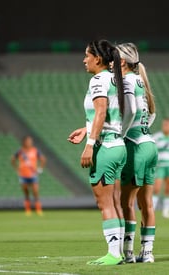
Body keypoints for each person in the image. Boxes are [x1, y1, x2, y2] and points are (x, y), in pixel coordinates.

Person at [67, 39, 127, 266]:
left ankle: (113, 254)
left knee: (105, 204)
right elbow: (110, 115)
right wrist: (86, 129)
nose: (84, 60)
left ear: (98, 59)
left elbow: (101, 113)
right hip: (119, 145)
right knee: (115, 202)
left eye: (86, 55)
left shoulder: (98, 80)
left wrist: (90, 144)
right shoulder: (116, 79)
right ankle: (121, 252)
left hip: (105, 147)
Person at [116, 43, 158, 264]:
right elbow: (151, 113)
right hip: (149, 143)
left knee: (127, 203)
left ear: (122, 62)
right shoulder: (140, 79)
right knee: (147, 204)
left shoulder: (126, 80)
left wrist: (120, 135)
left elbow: (131, 110)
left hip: (135, 146)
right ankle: (147, 253)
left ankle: (129, 253)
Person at [11, 135, 46, 216]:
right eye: (28, 141)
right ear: (24, 142)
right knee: (26, 192)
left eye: (30, 141)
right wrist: (16, 169)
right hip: (23, 175)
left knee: (35, 192)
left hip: (33, 174)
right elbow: (12, 159)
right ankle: (28, 209)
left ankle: (38, 209)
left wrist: (40, 169)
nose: (29, 143)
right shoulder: (20, 152)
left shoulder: (35, 151)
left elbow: (43, 159)